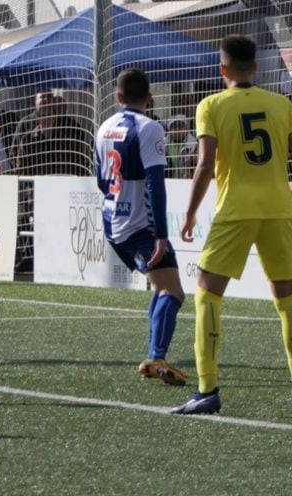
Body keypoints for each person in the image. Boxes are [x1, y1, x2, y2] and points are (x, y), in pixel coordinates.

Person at [171, 34, 292, 415]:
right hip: (277, 212)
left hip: (234, 212)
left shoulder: (211, 105)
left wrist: (189, 213)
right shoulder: (281, 104)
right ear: (255, 68)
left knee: (207, 293)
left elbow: (204, 165)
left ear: (223, 69)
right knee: (287, 299)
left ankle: (207, 390)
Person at [95, 69, 188, 386]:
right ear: (150, 97)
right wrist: (161, 235)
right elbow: (156, 185)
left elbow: (100, 181)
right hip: (140, 225)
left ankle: (154, 352)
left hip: (112, 221)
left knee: (160, 284)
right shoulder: (150, 128)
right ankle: (156, 357)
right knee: (172, 290)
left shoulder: (104, 127)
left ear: (118, 97)